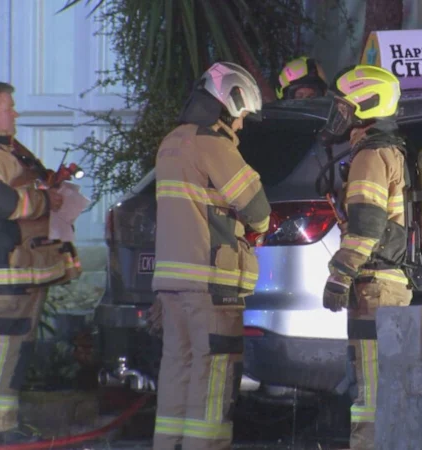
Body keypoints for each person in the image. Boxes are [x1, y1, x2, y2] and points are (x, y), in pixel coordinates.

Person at [151, 62, 270, 450]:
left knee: (177, 368)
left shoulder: (172, 142)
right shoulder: (212, 143)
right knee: (214, 372)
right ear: (230, 103)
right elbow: (257, 208)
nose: (241, 126)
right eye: (242, 117)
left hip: (172, 284)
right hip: (209, 282)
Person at [0, 81, 74, 446]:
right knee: (2, 352)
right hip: (0, 274)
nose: (16, 113)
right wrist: (42, 202)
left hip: (0, 272)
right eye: (9, 107)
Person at [319, 65, 412, 449]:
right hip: (389, 287)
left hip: (375, 289)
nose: (338, 115)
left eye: (345, 106)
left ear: (366, 104)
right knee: (379, 386)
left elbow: (367, 227)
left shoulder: (371, 156)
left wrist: (340, 274)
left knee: (370, 390)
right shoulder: (389, 151)